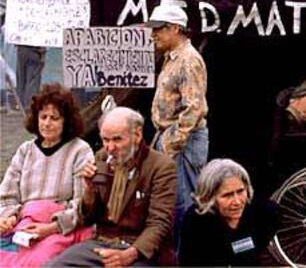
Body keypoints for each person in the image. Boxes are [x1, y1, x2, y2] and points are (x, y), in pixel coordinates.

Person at [46, 106, 177, 267]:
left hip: (140, 250)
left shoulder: (161, 166)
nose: (110, 147)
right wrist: (89, 190)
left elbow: (159, 224)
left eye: (117, 139)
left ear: (137, 135)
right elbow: (86, 219)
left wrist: (129, 255)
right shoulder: (102, 157)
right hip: (102, 243)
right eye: (105, 140)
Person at [0, 83, 94, 267]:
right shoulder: (25, 150)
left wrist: (50, 228)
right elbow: (6, 196)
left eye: (54, 118)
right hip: (22, 226)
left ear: (66, 121)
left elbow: (82, 204)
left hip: (61, 229)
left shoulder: (80, 151)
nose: (47, 123)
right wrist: (8, 218)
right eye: (43, 117)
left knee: (39, 261)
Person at [146, 0, 209, 242]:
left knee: (185, 201)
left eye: (159, 28)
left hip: (184, 140)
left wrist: (172, 143)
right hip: (173, 136)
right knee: (174, 199)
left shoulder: (188, 59)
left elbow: (193, 108)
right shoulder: (173, 57)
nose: (154, 34)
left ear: (175, 28)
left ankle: (186, 255)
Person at [179, 158, 279, 266]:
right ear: (210, 197)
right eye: (227, 195)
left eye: (240, 191)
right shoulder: (196, 221)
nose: (237, 202)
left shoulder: (261, 210)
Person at [16, 44, 47, 110]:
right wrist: (43, 53)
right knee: (33, 80)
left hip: (21, 48)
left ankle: (20, 104)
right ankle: (29, 105)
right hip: (35, 50)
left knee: (21, 79)